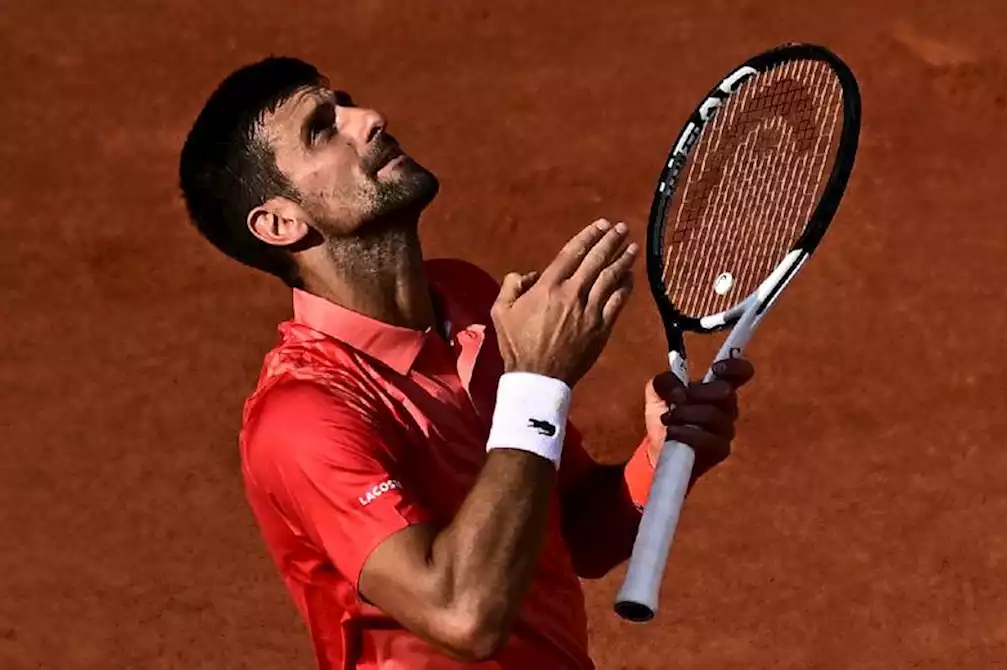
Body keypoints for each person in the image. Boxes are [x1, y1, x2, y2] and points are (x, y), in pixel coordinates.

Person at [177, 56, 755, 669]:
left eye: (347, 102)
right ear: (279, 222)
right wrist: (538, 382)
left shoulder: (470, 300)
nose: (370, 119)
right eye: (323, 128)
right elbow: (462, 614)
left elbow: (573, 530)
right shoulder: (301, 417)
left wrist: (661, 459)